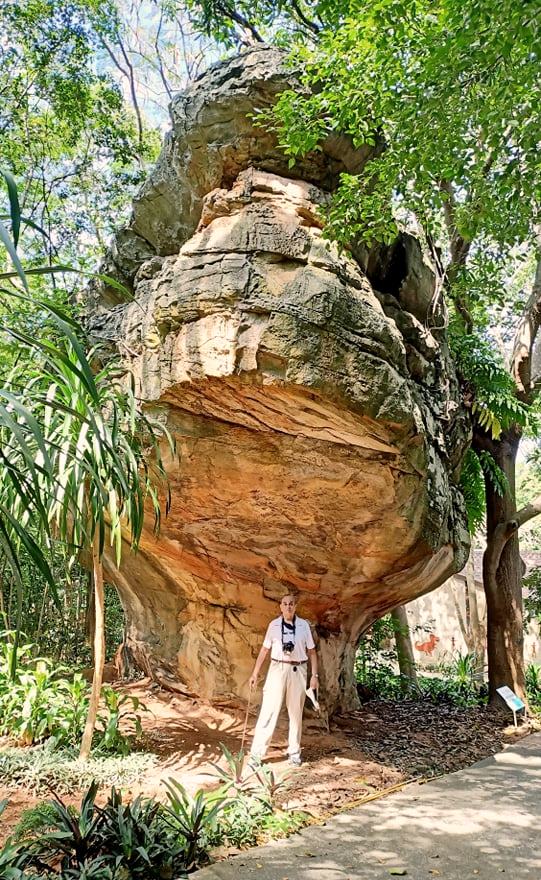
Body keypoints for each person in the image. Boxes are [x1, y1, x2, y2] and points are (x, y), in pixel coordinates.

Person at [248, 594, 318, 766]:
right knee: (269, 710)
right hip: (277, 668)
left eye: (291, 604)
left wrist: (314, 677)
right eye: (285, 604)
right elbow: (264, 650)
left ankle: (294, 752)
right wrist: (255, 673)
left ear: (295, 607)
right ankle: (257, 753)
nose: (288, 607)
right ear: (280, 606)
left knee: (295, 712)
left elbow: (312, 652)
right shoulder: (274, 625)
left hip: (298, 669)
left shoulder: (303, 626)